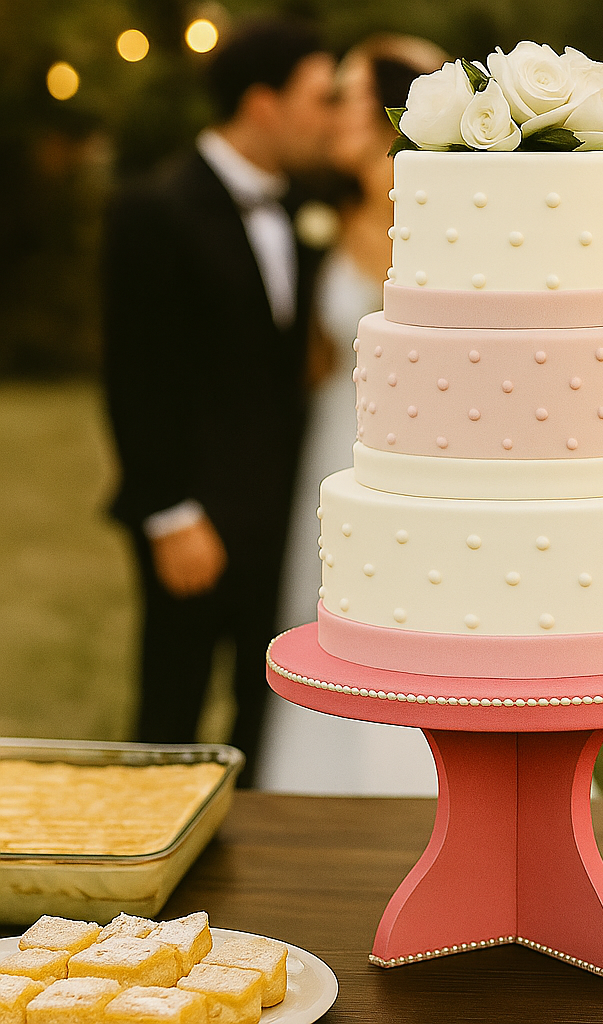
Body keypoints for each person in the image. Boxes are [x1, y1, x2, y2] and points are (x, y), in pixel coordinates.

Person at [101, 19, 338, 786]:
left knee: (262, 715)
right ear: (264, 103)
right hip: (194, 515)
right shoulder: (154, 209)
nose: (329, 114)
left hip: (283, 510)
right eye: (318, 97)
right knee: (170, 711)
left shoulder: (309, 209)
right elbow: (134, 377)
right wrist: (168, 511)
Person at [256, 35, 447, 795]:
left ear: (390, 114)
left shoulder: (443, 224)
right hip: (331, 446)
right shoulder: (328, 221)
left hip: (411, 463)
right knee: (326, 618)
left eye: (345, 96)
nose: (331, 114)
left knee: (407, 626)